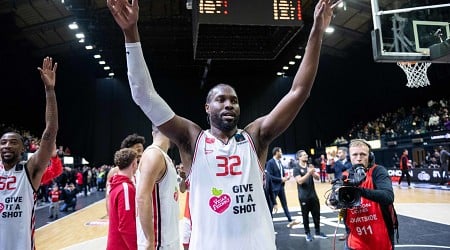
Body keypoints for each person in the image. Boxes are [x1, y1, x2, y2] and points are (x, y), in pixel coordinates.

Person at [107, 0, 337, 248]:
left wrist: (316, 32)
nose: (229, 104)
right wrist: (131, 33)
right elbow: (143, 94)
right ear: (207, 108)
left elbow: (299, 91)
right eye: (221, 99)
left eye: (234, 101)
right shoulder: (192, 139)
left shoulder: (256, 136)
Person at [0, 56, 59, 250]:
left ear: (22, 148)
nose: (7, 145)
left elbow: (50, 130)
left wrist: (49, 91)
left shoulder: (29, 170)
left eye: (13, 142)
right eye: (3, 142)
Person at [343, 139, 395, 250]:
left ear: (370, 156)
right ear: (350, 157)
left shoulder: (378, 171)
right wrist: (333, 201)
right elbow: (337, 202)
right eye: (355, 154)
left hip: (380, 240)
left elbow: (388, 197)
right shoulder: (346, 175)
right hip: (354, 240)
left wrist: (359, 191)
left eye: (363, 154)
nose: (358, 158)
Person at [135, 128, 180, 250]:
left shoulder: (164, 157)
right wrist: (150, 241)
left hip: (168, 239)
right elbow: (142, 198)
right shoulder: (154, 155)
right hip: (158, 242)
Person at [106, 133, 145, 215]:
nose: (141, 154)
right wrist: (112, 218)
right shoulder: (114, 172)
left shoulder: (145, 168)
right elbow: (109, 199)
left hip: (139, 216)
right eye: (138, 150)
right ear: (128, 151)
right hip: (124, 215)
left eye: (142, 150)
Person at [107, 148, 139, 250]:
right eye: (136, 162)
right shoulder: (125, 188)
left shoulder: (115, 184)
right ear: (133, 164)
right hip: (122, 246)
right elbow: (126, 226)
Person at [293, 150, 328, 242]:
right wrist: (308, 173)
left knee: (316, 214)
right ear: (299, 157)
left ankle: (317, 232)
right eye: (304, 155)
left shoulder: (309, 167)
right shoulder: (296, 168)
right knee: (305, 216)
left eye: (306, 155)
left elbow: (318, 178)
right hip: (303, 196)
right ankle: (307, 233)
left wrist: (312, 172)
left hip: (313, 195)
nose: (306, 156)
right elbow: (299, 181)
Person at [265, 147, 296, 227]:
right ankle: (269, 223)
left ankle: (290, 220)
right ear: (276, 152)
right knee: (271, 205)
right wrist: (280, 179)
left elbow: (281, 175)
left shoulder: (279, 162)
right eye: (281, 152)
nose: (281, 153)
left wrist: (285, 178)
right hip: (273, 188)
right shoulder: (270, 163)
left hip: (281, 187)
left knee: (284, 204)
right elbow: (269, 176)